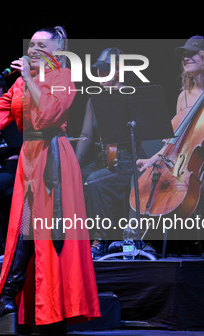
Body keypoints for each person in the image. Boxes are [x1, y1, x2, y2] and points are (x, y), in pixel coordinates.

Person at [0, 26, 100, 332]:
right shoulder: (18, 84)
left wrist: (29, 78)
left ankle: (25, 298)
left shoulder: (62, 79)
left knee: (46, 231)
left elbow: (47, 116)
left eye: (42, 45)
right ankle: (12, 295)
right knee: (24, 227)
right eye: (31, 44)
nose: (34, 49)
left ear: (57, 51)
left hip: (53, 156)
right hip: (30, 157)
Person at [135, 36, 204, 257]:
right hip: (191, 156)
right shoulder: (183, 97)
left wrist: (202, 165)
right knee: (153, 182)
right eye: (183, 56)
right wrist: (154, 158)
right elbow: (175, 138)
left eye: (191, 54)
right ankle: (146, 242)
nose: (185, 58)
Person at [75, 47, 138, 258]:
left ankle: (99, 239)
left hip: (128, 160)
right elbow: (86, 134)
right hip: (105, 159)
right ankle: (73, 242)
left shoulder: (128, 95)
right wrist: (73, 164)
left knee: (94, 181)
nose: (100, 75)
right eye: (98, 71)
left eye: (105, 70)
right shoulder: (94, 99)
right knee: (74, 178)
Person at [0, 73, 23, 256]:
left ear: (4, 91)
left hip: (13, 168)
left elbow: (14, 150)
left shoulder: (13, 113)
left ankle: (3, 246)